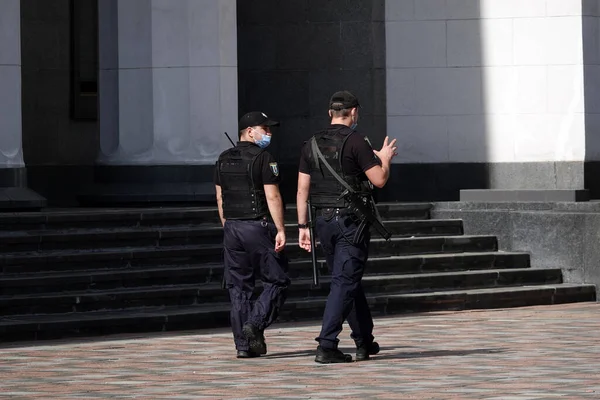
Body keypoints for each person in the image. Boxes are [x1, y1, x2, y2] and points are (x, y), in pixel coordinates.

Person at [296, 91, 398, 363]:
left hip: (322, 220)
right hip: (351, 222)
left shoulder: (311, 143)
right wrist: (385, 158)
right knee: (345, 281)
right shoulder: (356, 141)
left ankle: (364, 340)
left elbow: (301, 188)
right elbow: (378, 180)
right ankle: (327, 344)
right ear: (353, 112)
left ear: (330, 112)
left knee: (348, 280)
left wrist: (302, 226)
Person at [214, 111, 290, 358]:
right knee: (277, 280)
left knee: (239, 288)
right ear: (249, 131)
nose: (268, 133)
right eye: (264, 129)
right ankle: (255, 324)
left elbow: (220, 197)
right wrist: (280, 229)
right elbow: (272, 196)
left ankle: (243, 346)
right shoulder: (264, 158)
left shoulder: (222, 159)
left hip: (233, 228)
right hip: (258, 226)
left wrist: (228, 225)